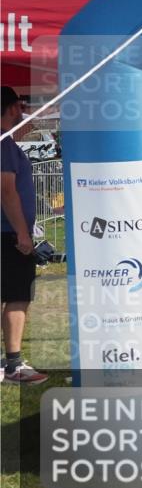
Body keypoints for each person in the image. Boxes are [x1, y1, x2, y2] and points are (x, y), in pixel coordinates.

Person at [1, 87, 48, 385]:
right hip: (8, 233)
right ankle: (14, 365)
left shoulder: (7, 142)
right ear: (10, 108)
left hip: (7, 232)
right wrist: (23, 234)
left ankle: (11, 362)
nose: (23, 111)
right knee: (18, 297)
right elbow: (6, 191)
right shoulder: (3, 144)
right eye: (19, 106)